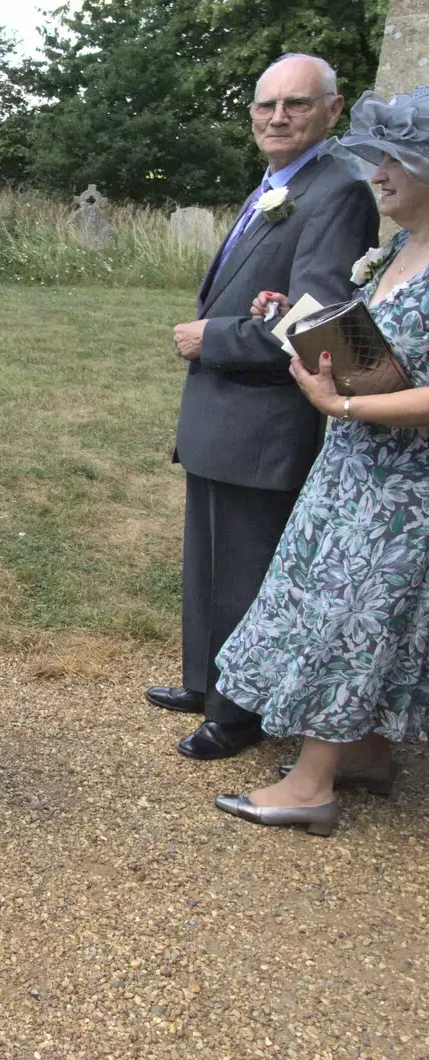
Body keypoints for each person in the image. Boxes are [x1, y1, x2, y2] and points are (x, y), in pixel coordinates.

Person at [148, 53, 379, 761]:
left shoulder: (336, 191)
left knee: (247, 568)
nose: (277, 117)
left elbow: (325, 322)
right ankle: (204, 678)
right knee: (208, 559)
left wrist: (215, 335)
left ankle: (238, 712)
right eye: (265, 105)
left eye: (296, 104)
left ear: (333, 112)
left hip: (266, 413)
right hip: (221, 412)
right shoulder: (278, 183)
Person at [213, 87, 429, 835]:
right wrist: (298, 325)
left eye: (394, 159)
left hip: (403, 488)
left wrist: (344, 406)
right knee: (327, 608)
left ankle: (311, 787)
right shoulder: (400, 248)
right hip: (353, 469)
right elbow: (377, 349)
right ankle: (364, 752)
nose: (378, 172)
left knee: (353, 623)